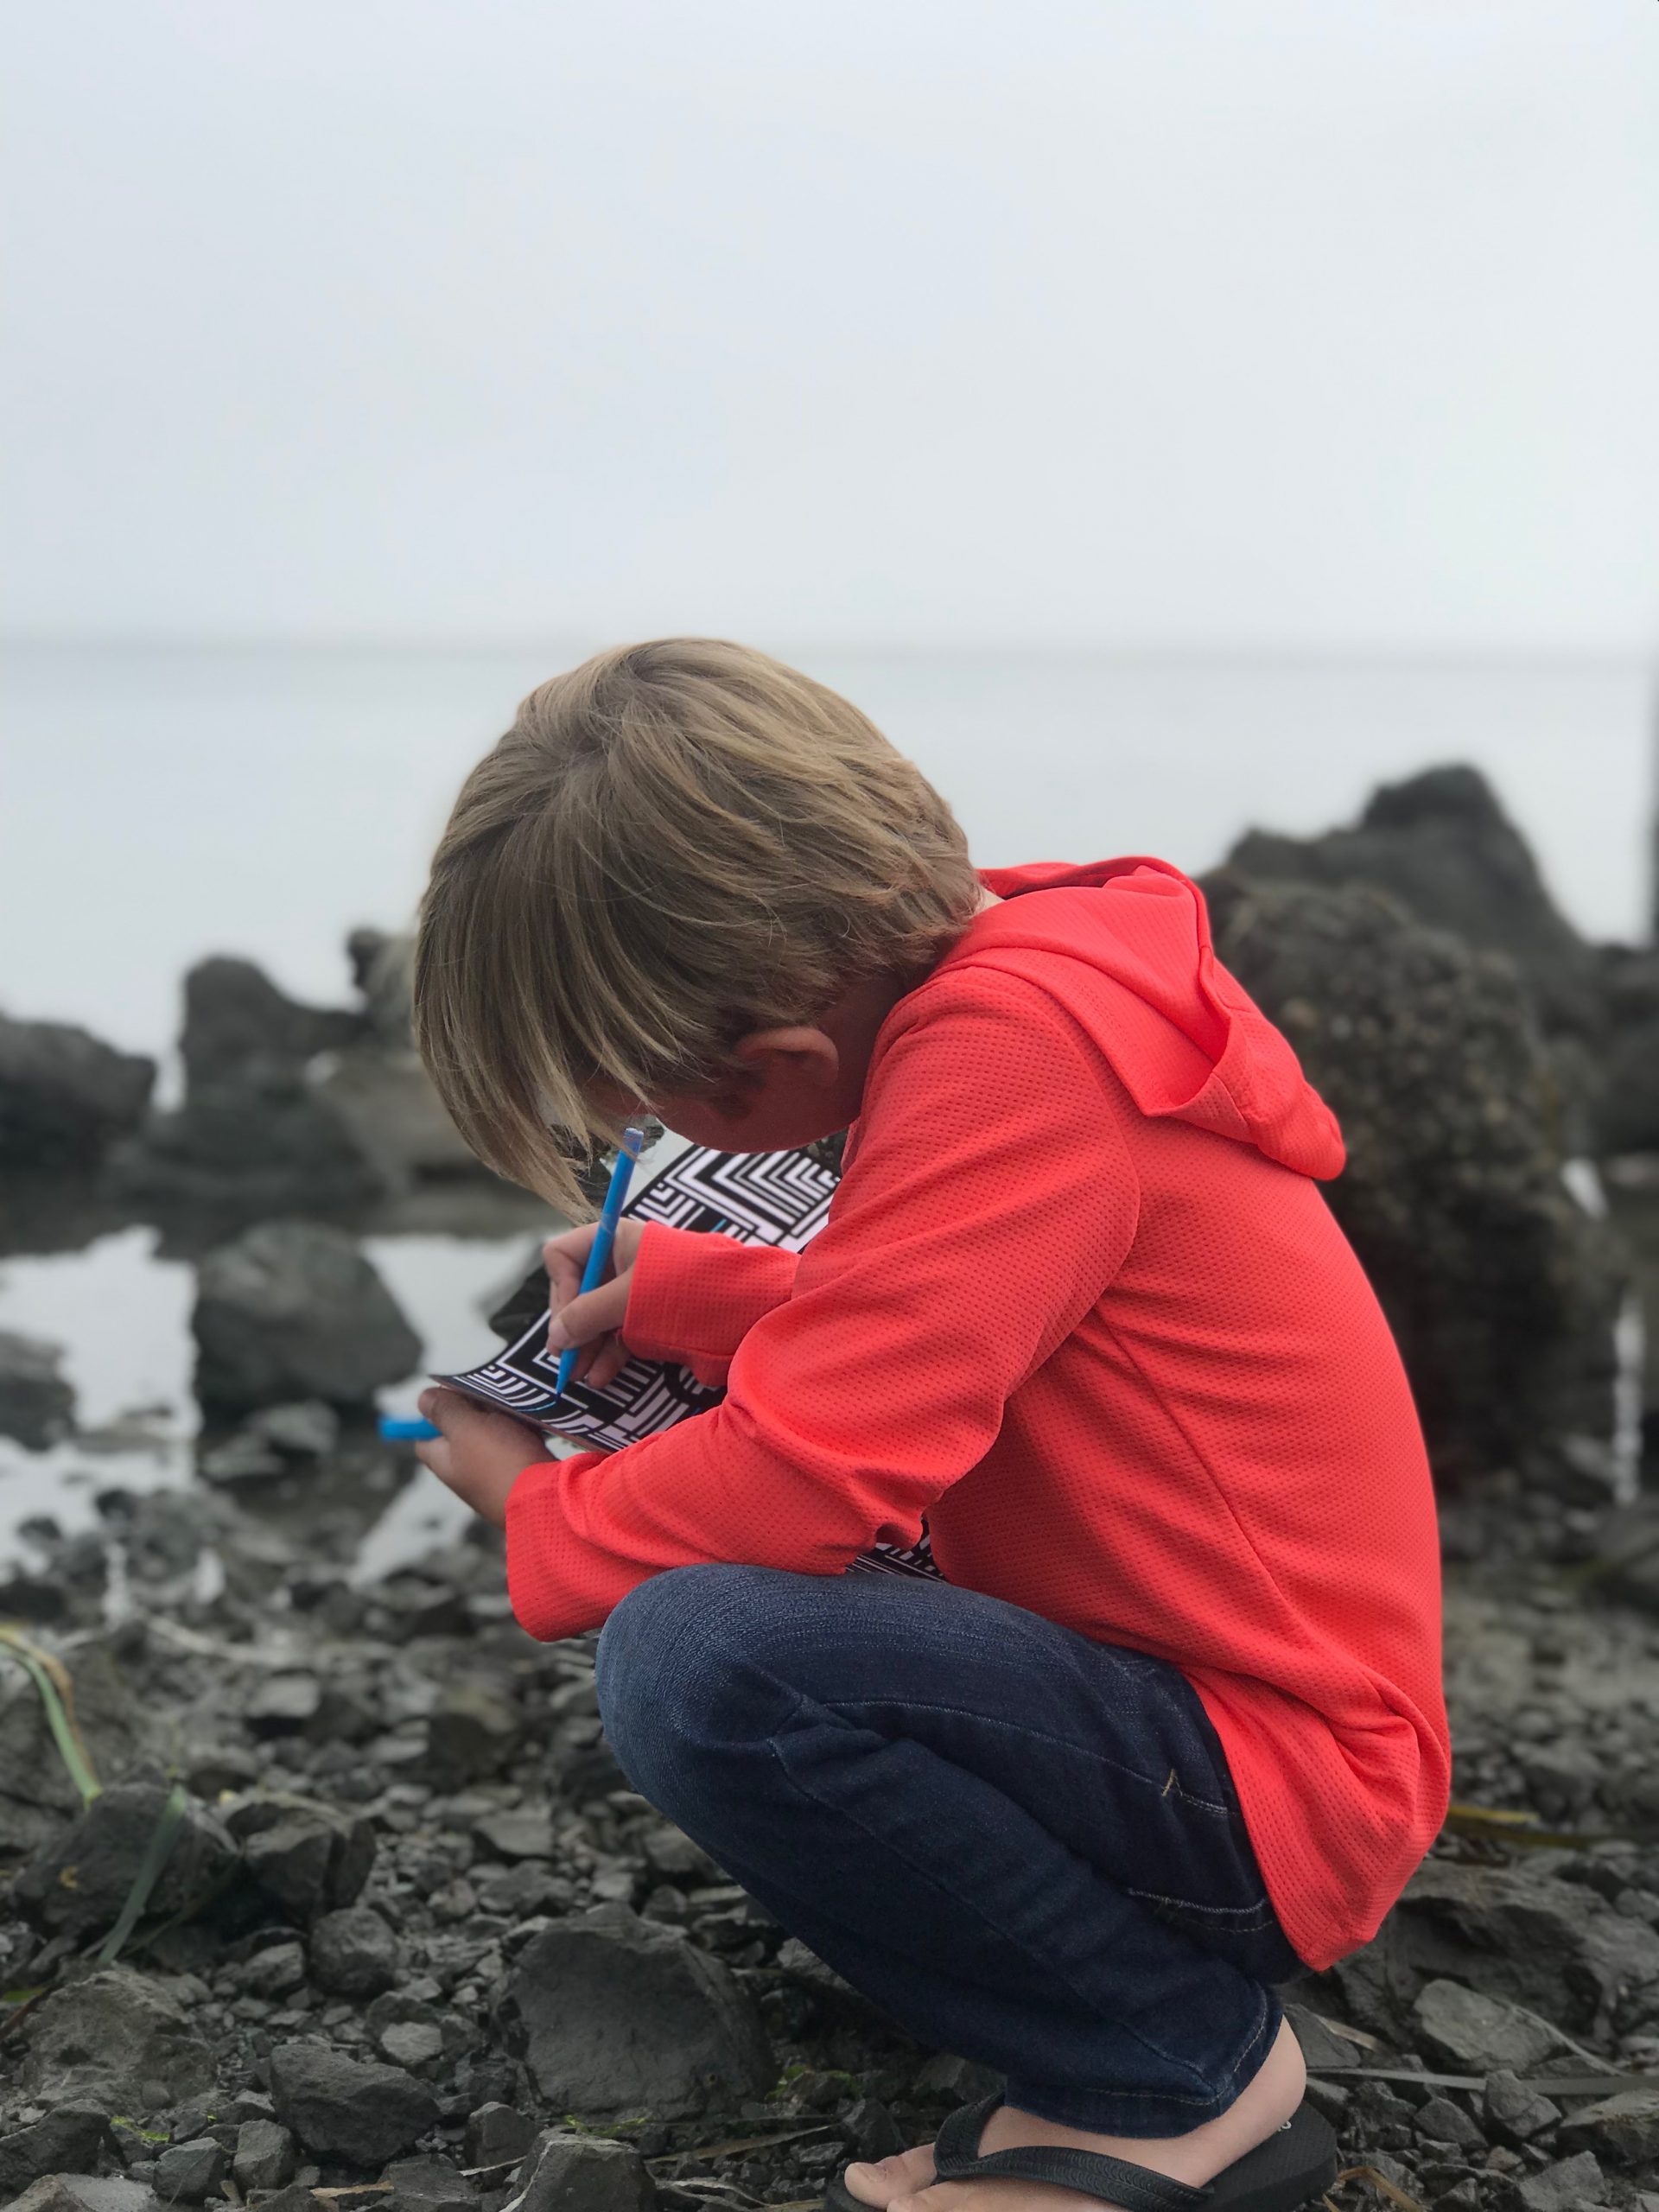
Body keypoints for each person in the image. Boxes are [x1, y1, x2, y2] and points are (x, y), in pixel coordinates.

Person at [410, 639, 1449, 2212]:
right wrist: (697, 1292)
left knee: (700, 1658)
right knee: (746, 1620)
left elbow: (805, 1478)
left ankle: (1168, 2068)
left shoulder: (1008, 1053)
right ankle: (1131, 2014)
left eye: (634, 1100)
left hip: (1276, 1776)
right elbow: (977, 1312)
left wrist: (527, 1509)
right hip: (1228, 1714)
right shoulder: (1029, 969)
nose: (625, 1132)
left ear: (774, 1068)